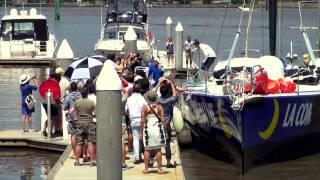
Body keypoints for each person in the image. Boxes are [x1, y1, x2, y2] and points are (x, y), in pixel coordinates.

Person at [141, 90, 166, 174]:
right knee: (158, 149)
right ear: (156, 98)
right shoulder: (159, 107)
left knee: (147, 149)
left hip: (148, 129)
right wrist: (165, 131)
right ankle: (159, 169)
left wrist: (142, 132)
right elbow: (163, 120)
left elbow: (142, 121)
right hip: (157, 129)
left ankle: (146, 169)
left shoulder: (145, 107)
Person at [69, 87, 96, 166]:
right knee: (90, 142)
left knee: (79, 143)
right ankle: (92, 161)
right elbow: (96, 113)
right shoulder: (91, 102)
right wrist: (92, 116)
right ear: (87, 93)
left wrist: (74, 121)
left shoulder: (77, 102)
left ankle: (77, 161)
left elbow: (70, 112)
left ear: (81, 93)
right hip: (89, 124)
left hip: (80, 123)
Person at [156, 79, 177, 168]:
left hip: (158, 123)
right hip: (167, 124)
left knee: (157, 143)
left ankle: (155, 161)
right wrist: (171, 83)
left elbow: (153, 93)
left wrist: (158, 84)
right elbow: (175, 94)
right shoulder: (170, 100)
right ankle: (168, 162)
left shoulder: (157, 100)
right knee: (167, 143)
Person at [125, 83, 147, 164]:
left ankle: (137, 158)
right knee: (143, 139)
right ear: (140, 90)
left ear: (133, 90)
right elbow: (147, 108)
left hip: (133, 120)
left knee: (136, 139)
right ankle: (146, 156)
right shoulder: (142, 98)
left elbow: (126, 110)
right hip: (142, 120)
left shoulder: (129, 99)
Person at [63, 81, 81, 159]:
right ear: (77, 88)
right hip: (80, 117)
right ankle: (81, 153)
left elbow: (64, 108)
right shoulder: (81, 96)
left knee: (73, 136)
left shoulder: (68, 97)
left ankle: (74, 153)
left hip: (72, 118)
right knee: (81, 136)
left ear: (70, 88)